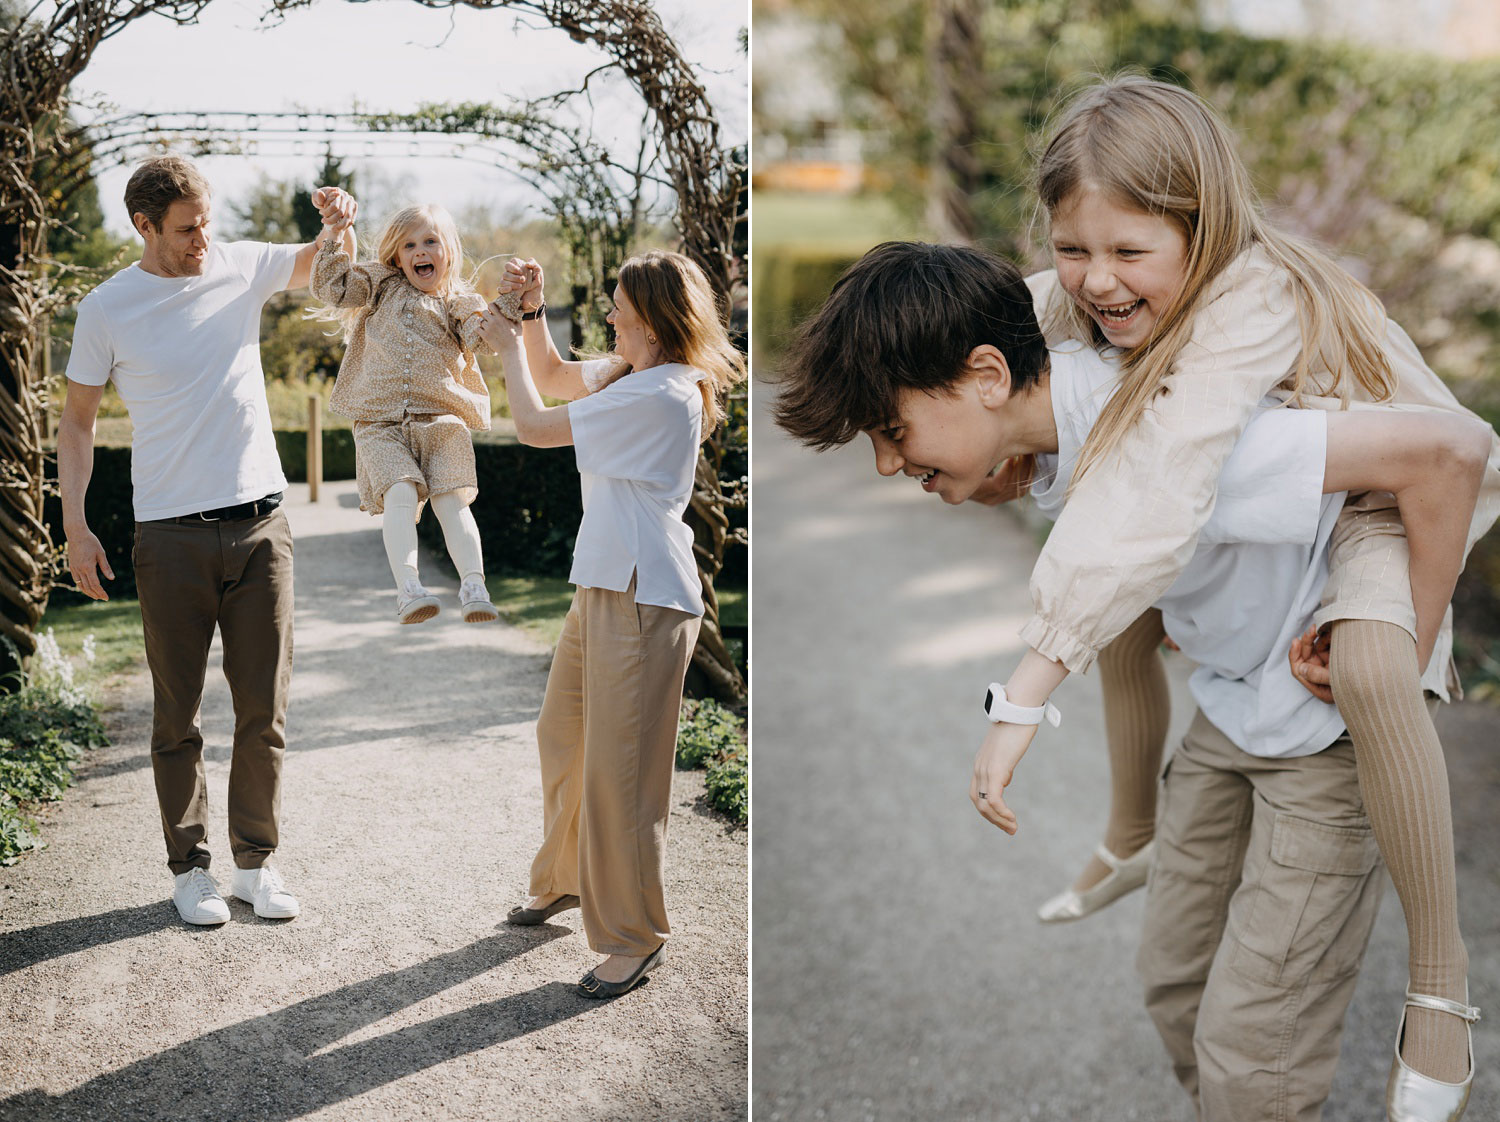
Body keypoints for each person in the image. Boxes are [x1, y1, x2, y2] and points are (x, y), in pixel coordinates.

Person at [772, 240, 1493, 1120]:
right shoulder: (1058, 427)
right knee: (1174, 982)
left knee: (1248, 1049)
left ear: (989, 376)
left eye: (893, 431)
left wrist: (1395, 637)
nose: (888, 463)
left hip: (1323, 736)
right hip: (1228, 716)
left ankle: (1413, 1009)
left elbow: (1451, 450)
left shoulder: (1179, 436)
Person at [994, 74, 1500, 1110]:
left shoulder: (1254, 293)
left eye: (1129, 252)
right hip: (1310, 484)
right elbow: (997, 319)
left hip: (1388, 494)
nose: (1095, 279)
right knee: (1131, 591)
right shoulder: (1073, 289)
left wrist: (1025, 687)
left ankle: (1442, 1001)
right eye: (1073, 248)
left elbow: (1169, 464)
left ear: (1206, 227)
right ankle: (1128, 834)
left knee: (1364, 665)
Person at [57, 155, 354, 926]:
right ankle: (190, 870)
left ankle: (255, 864)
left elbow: (312, 263)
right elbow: (78, 424)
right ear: (145, 226)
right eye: (186, 230)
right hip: (170, 538)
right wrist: (77, 525)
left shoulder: (237, 264)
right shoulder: (107, 308)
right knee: (177, 715)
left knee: (265, 710)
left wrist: (334, 222)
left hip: (261, 528)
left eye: (206, 224)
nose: (201, 241)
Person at [475, 250, 745, 998]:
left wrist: (502, 349)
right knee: (562, 736)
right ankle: (564, 879)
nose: (611, 316)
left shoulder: (662, 393)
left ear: (655, 317)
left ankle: (635, 935)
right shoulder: (634, 373)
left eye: (620, 306)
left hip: (642, 594)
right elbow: (560, 377)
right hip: (603, 583)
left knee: (621, 777)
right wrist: (529, 316)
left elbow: (534, 423)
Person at [309, 193, 502, 625]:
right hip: (380, 424)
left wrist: (509, 305)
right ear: (397, 256)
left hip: (443, 421)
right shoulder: (379, 284)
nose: (421, 252)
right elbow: (332, 287)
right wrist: (335, 233)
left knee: (452, 501)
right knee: (399, 492)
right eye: (410, 245)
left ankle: (474, 585)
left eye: (430, 242)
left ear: (448, 250)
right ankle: (409, 588)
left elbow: (485, 341)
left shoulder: (461, 302)